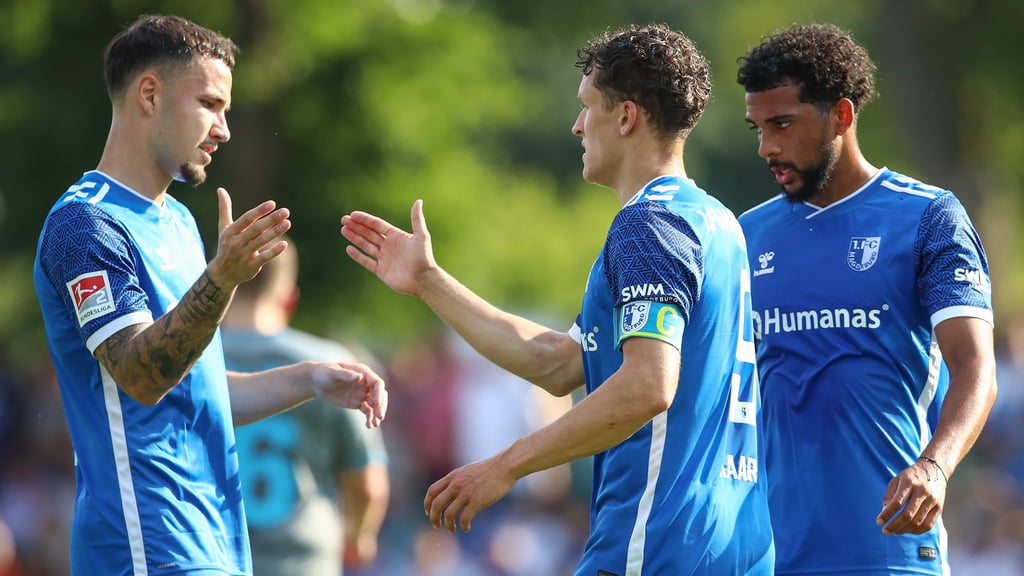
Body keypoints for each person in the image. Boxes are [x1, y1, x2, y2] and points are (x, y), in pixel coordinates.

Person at [342, 23, 774, 575]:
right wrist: (429, 280)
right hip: (735, 542)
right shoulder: (717, 221)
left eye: (587, 106)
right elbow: (558, 363)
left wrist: (506, 464)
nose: (576, 125)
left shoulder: (649, 224)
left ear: (626, 117)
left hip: (657, 541)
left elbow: (647, 385)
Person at [32, 14, 387, 576]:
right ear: (150, 94)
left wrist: (310, 379)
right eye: (210, 104)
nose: (223, 129)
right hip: (145, 547)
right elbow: (142, 375)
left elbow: (196, 389)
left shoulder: (177, 222)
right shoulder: (86, 224)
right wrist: (222, 279)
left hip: (213, 545)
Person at [736, 22, 997, 576]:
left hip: (890, 552)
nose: (766, 147)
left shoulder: (927, 218)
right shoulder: (744, 235)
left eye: (782, 123)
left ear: (841, 115)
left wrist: (935, 467)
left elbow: (976, 366)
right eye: (757, 128)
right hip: (768, 556)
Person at [220, 237, 390, 575]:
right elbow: (368, 485)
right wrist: (359, 538)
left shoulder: (189, 365)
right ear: (290, 300)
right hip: (302, 560)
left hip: (212, 558)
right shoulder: (330, 365)